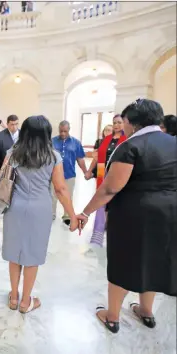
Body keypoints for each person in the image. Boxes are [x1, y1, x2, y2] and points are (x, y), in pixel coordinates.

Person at [77, 98, 177, 333]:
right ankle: (146, 311)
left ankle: (112, 317)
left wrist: (85, 212)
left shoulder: (131, 146)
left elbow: (111, 188)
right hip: (170, 213)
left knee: (124, 262)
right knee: (154, 260)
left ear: (131, 122)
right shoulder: (173, 143)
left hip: (135, 215)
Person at [0, 116, 79, 313]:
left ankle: (13, 297)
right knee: (32, 255)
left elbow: (0, 177)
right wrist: (73, 215)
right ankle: (26, 302)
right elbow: (60, 189)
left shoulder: (13, 153)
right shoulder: (53, 157)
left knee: (14, 253)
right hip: (39, 208)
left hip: (15, 207)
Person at [85, 115, 126, 250]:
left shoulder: (127, 139)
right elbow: (97, 158)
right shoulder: (107, 140)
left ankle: (116, 236)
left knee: (117, 205)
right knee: (102, 203)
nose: (116, 125)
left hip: (120, 174)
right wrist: (89, 171)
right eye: (114, 123)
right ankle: (97, 237)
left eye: (119, 122)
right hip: (103, 174)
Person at [52, 121, 88, 225]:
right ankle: (51, 214)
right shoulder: (52, 142)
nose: (63, 133)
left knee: (68, 196)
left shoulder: (76, 143)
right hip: (54, 175)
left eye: (65, 131)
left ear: (69, 130)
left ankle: (67, 216)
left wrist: (85, 172)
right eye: (61, 131)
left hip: (69, 174)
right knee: (52, 195)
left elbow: (80, 159)